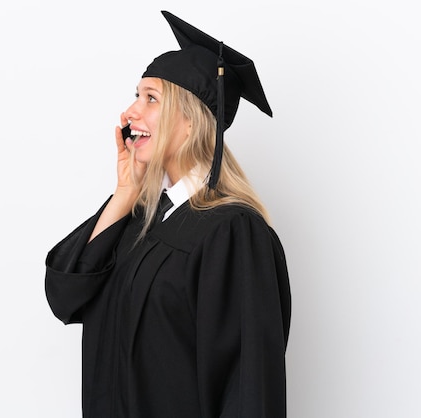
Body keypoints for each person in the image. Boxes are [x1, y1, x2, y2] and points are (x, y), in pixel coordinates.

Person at [44, 10, 291, 418]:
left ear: (191, 123)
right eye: (136, 95)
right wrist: (125, 193)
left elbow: (248, 389)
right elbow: (64, 297)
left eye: (151, 98)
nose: (129, 113)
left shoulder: (232, 233)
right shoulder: (142, 217)